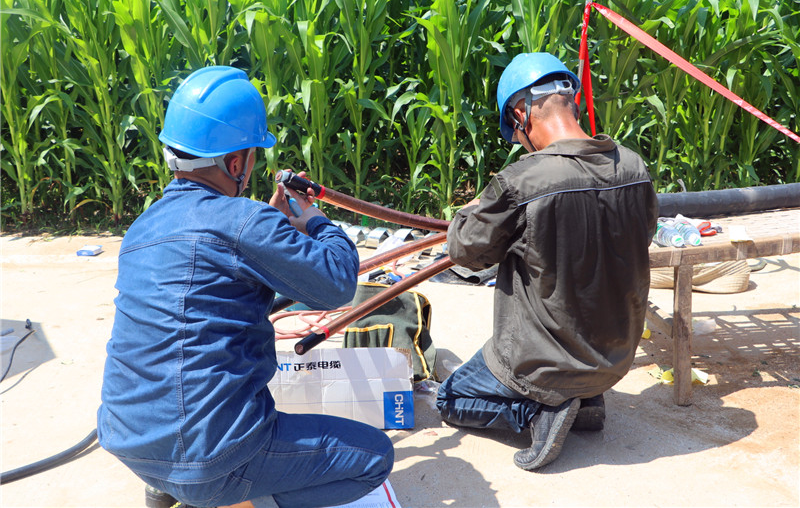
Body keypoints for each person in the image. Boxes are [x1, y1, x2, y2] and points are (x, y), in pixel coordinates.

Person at [97, 66, 393, 508]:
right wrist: (315, 222)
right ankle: (227, 496)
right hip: (211, 452)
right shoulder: (244, 222)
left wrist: (273, 231)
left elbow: (210, 296)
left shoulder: (142, 229)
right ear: (235, 163)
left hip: (126, 439)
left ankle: (165, 484)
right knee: (374, 457)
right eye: (252, 155)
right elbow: (337, 282)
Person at [436, 53, 658, 471]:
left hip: (543, 367)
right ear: (571, 103)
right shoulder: (633, 166)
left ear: (521, 114)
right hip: (615, 358)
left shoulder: (521, 182)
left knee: (450, 398)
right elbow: (642, 234)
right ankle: (586, 401)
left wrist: (471, 212)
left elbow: (465, 252)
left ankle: (540, 411)